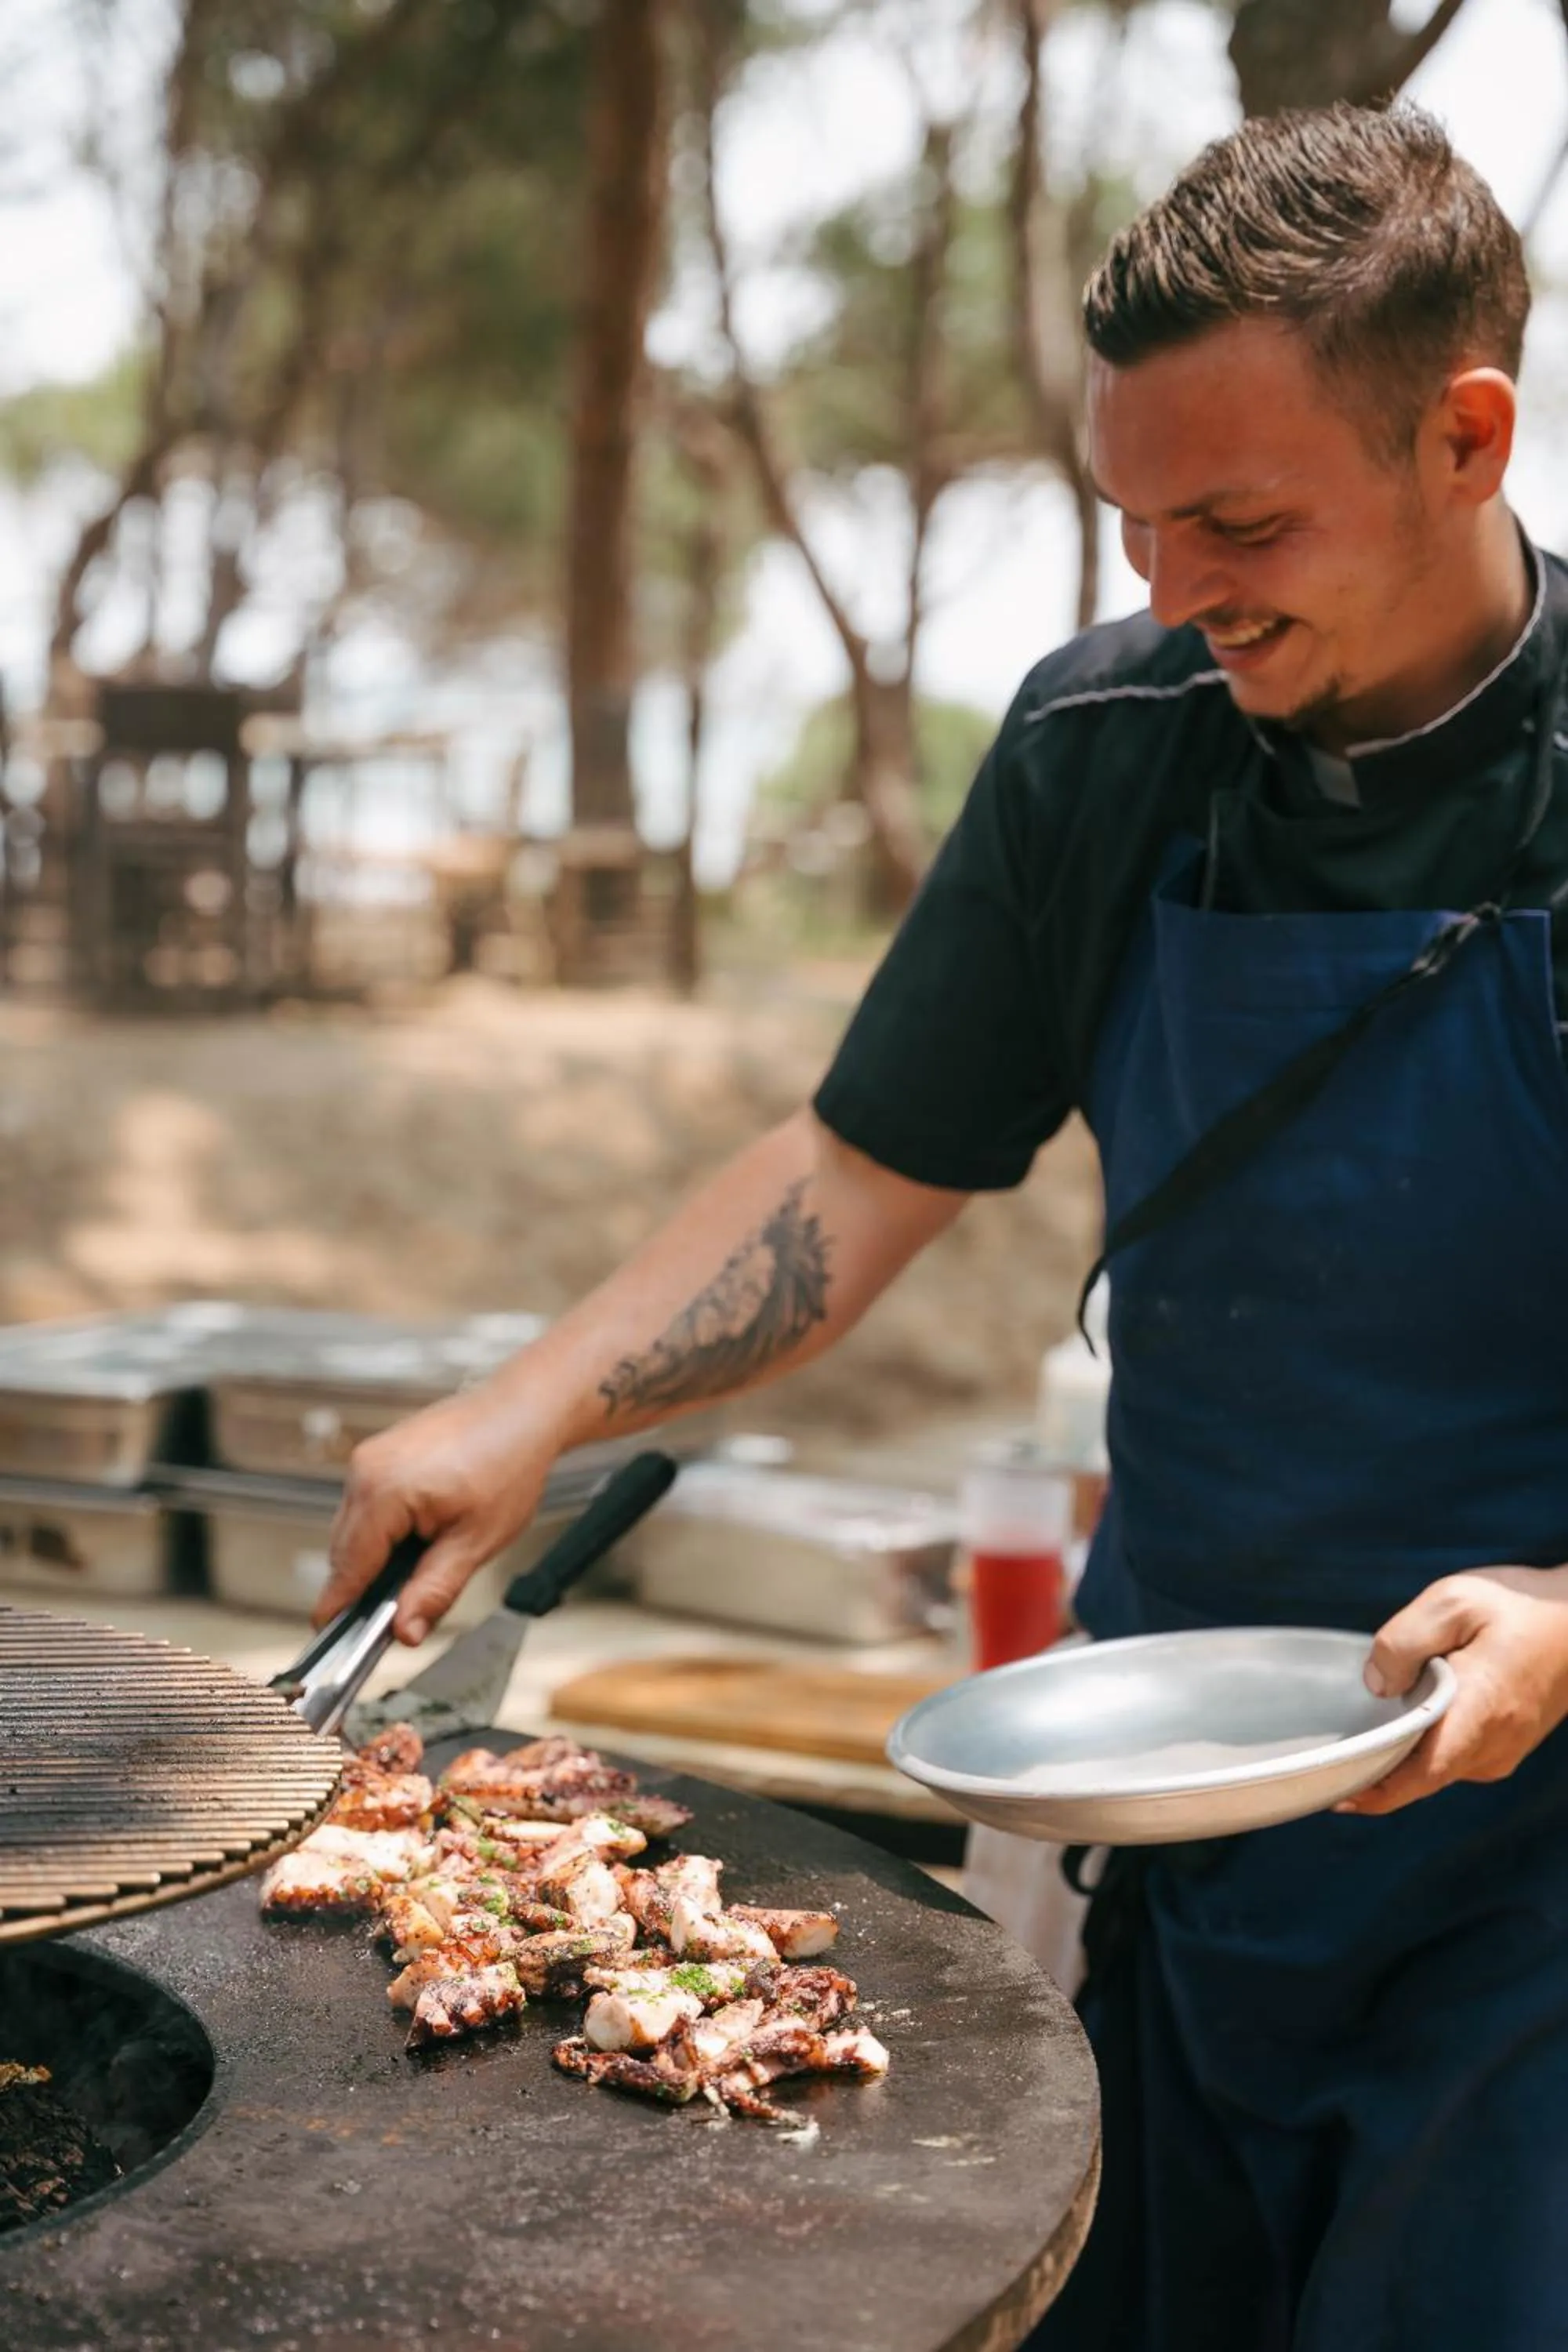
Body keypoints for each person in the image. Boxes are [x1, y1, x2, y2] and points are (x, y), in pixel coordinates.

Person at [319, 101, 1568, 2350]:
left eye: (1239, 520)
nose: (1171, 591)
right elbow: (860, 1168)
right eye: (1131, 521)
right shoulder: (1111, 749)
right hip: (1179, 1798)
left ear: (1464, 438)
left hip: (1544, 1884)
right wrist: (523, 1414)